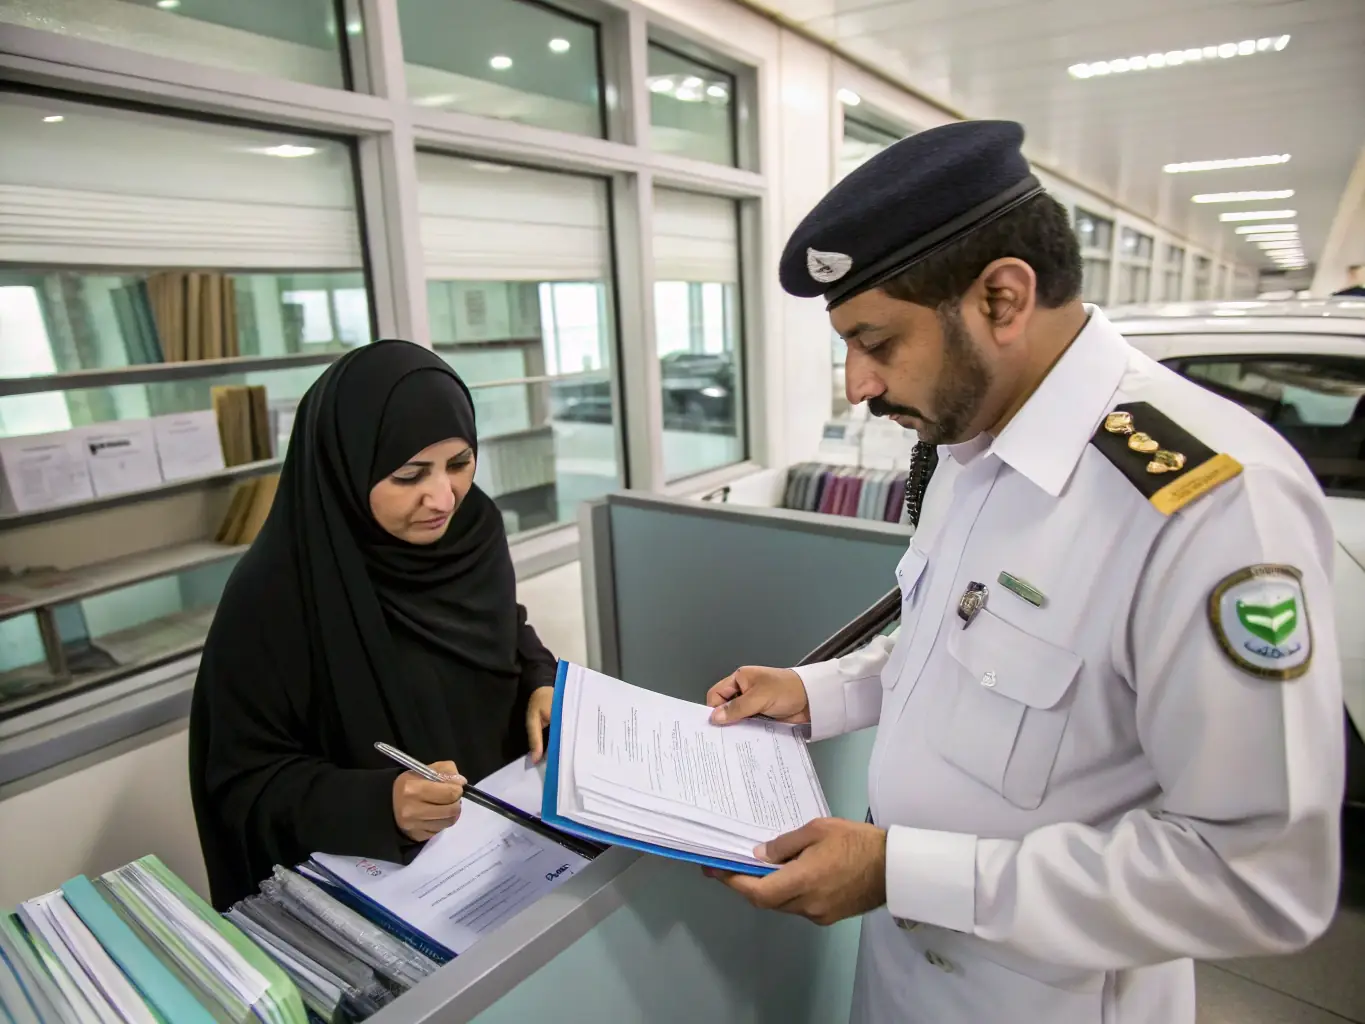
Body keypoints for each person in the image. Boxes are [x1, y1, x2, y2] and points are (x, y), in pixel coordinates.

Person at [704, 120, 1344, 1023]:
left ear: (1002, 299)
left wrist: (899, 870)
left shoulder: (1207, 507)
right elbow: (956, 646)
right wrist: (820, 691)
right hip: (903, 964)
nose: (856, 384)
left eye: (876, 342)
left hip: (1043, 993)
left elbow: (1254, 877)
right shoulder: (972, 442)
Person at [189, 339, 559, 910]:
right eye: (410, 475)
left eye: (460, 463)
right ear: (345, 467)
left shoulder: (473, 529)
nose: (443, 498)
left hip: (509, 846)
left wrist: (539, 677)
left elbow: (500, 624)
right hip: (389, 885)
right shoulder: (275, 593)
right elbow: (242, 783)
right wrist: (379, 805)